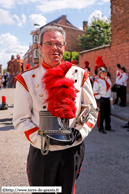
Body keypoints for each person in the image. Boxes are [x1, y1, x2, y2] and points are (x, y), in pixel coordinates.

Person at [13, 26, 98, 194]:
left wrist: (79, 133)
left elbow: (91, 110)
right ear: (40, 47)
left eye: (58, 44)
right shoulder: (26, 79)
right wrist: (44, 140)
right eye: (49, 43)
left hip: (73, 148)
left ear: (65, 47)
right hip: (43, 151)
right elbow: (21, 119)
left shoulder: (80, 74)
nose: (54, 48)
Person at [93, 56, 115, 134]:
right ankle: (100, 127)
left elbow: (110, 90)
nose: (104, 74)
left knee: (108, 114)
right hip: (101, 98)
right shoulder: (97, 81)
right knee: (101, 114)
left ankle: (108, 127)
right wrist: (100, 98)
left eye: (105, 72)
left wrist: (111, 99)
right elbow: (95, 91)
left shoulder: (108, 79)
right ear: (100, 73)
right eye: (103, 72)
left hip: (107, 98)